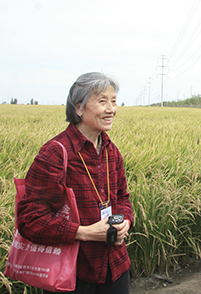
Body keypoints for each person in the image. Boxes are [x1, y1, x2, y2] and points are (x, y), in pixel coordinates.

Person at [17, 72, 133, 294]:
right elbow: (29, 219)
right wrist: (84, 232)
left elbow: (123, 198)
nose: (111, 109)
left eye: (114, 101)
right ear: (79, 108)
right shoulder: (55, 154)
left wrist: (125, 222)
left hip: (115, 266)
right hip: (73, 272)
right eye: (102, 101)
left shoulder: (111, 151)